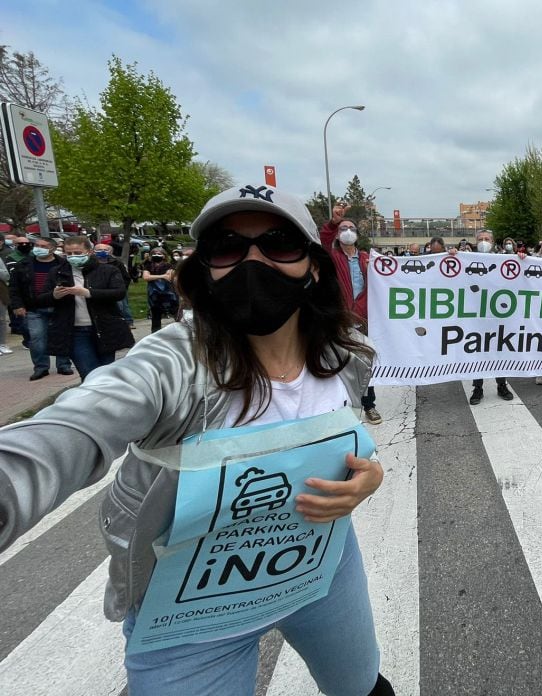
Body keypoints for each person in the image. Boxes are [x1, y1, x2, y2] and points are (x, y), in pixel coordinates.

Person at [0, 185, 395, 695]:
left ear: (314, 266)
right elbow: (68, 431)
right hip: (189, 611)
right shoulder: (172, 365)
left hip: (321, 568)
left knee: (363, 687)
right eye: (227, 247)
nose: (253, 263)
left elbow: (347, 439)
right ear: (205, 269)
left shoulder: (348, 355)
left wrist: (370, 476)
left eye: (278, 243)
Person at [321, 203, 381, 424]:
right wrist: (333, 222)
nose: (348, 231)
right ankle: (342, 408)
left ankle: (369, 405)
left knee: (364, 362)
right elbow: (322, 242)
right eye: (343, 228)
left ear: (357, 235)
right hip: (339, 318)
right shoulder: (332, 257)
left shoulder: (367, 257)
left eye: (352, 228)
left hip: (363, 319)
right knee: (338, 363)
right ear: (338, 234)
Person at [43, 236, 134, 381]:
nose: (73, 257)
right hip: (75, 330)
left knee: (106, 374)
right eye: (69, 253)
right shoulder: (57, 272)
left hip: (104, 327)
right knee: (89, 374)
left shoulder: (107, 270)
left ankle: (108, 401)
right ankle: (93, 400)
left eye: (78, 253)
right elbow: (41, 299)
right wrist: (54, 295)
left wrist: (89, 293)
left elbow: (119, 292)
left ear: (89, 252)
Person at [8, 237, 75, 380]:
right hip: (34, 308)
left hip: (60, 306)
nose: (38, 248)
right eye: (37, 245)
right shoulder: (24, 264)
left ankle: (64, 365)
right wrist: (17, 305)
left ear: (52, 248)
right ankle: (41, 367)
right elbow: (14, 287)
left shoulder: (63, 264)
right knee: (37, 339)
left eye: (43, 246)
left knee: (62, 336)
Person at [470, 229, 515, 404]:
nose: (483, 241)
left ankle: (501, 385)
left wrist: (521, 258)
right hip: (476, 317)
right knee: (477, 352)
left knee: (499, 351)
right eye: (480, 239)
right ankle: (478, 388)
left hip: (498, 316)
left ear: (493, 241)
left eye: (486, 239)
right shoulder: (468, 260)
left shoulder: (504, 260)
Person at [94, 242, 135, 327]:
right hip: (98, 291)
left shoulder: (117, 263)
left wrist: (122, 288)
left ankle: (126, 321)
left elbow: (126, 277)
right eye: (99, 250)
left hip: (115, 290)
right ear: (93, 251)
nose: (102, 251)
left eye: (105, 250)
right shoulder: (91, 264)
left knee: (121, 306)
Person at [142, 248, 178, 332]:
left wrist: (153, 277)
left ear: (164, 255)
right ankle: (155, 334)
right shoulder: (148, 265)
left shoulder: (168, 265)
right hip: (154, 294)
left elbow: (169, 277)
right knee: (156, 316)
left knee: (175, 312)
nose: (157, 255)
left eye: (159, 253)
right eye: (154, 253)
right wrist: (162, 276)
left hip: (168, 292)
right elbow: (146, 277)